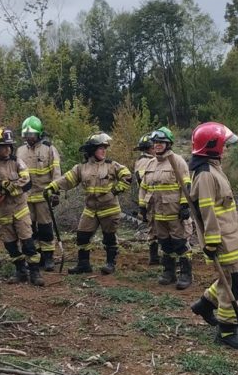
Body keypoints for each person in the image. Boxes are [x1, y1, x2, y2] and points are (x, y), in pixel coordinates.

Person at [187, 122, 238, 349]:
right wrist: (212, 242)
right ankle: (226, 330)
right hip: (221, 239)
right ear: (212, 146)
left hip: (231, 234)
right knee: (233, 281)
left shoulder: (214, 167)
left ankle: (205, 304)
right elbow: (207, 210)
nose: (226, 148)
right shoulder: (205, 174)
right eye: (224, 144)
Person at [44, 133, 131, 275]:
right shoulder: (81, 168)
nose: (104, 151)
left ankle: (110, 264)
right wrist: (52, 187)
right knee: (82, 236)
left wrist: (115, 191)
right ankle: (84, 265)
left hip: (109, 209)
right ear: (92, 150)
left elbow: (127, 176)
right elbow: (67, 179)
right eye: (101, 148)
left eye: (105, 148)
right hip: (90, 209)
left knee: (109, 237)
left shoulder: (111, 165)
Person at [0, 127, 44, 286]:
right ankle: (20, 271)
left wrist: (10, 188)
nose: (7, 149)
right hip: (2, 213)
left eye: (9, 146)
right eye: (4, 146)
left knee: (28, 242)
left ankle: (35, 272)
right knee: (10, 245)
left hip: (20, 210)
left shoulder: (17, 162)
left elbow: (26, 182)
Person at [139, 127, 193, 289]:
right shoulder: (150, 163)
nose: (157, 145)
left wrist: (185, 205)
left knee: (180, 244)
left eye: (161, 142)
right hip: (157, 214)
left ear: (168, 144)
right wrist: (142, 207)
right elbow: (144, 187)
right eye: (155, 142)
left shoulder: (177, 161)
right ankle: (169, 272)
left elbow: (186, 184)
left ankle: (186, 274)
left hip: (175, 213)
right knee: (165, 244)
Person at [15, 116, 61, 272]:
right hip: (25, 197)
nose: (29, 137)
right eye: (27, 134)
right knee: (29, 228)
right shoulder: (20, 150)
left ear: (39, 134)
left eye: (32, 134)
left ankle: (48, 257)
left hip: (43, 196)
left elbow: (56, 172)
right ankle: (35, 255)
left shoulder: (49, 149)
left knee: (45, 227)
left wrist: (55, 192)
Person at [133, 134, 160, 266]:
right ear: (149, 148)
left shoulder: (145, 160)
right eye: (154, 146)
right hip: (152, 199)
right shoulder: (146, 161)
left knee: (155, 227)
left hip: (151, 198)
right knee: (154, 227)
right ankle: (155, 257)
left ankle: (155, 256)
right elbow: (147, 181)